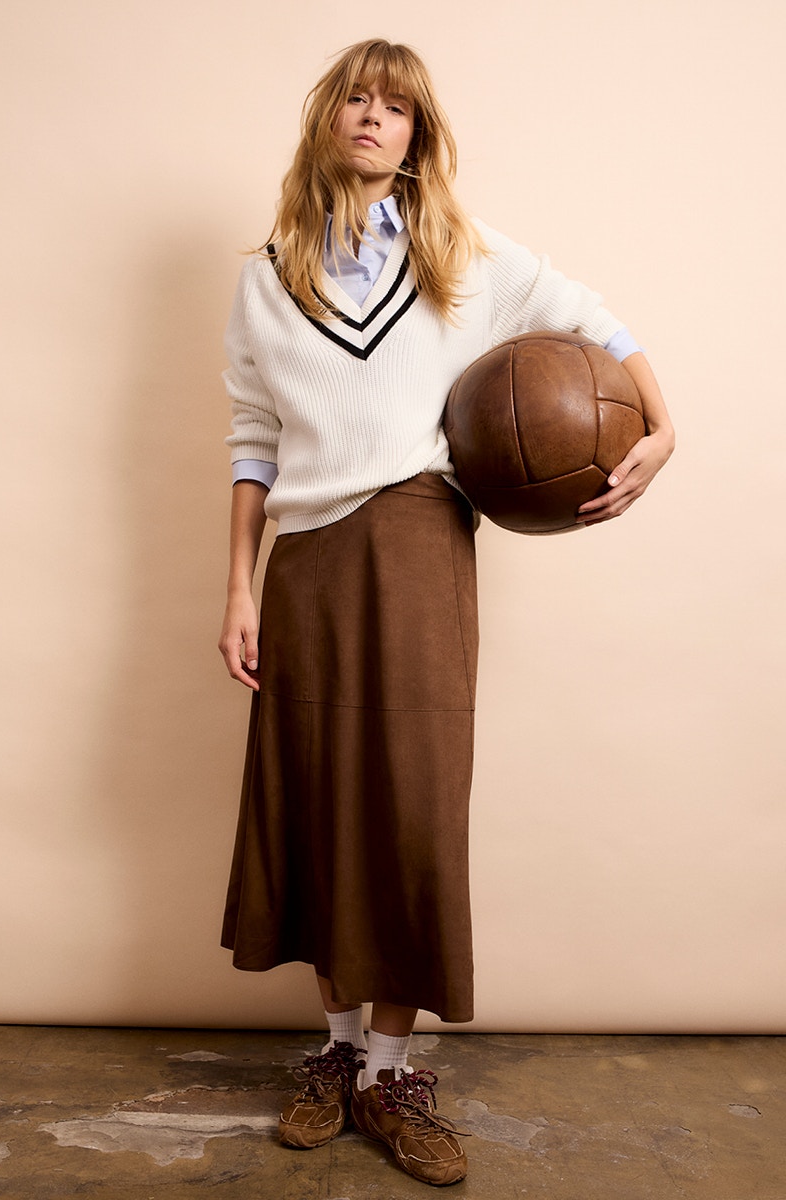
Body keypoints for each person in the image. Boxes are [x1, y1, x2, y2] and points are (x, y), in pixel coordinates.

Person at [217, 38, 674, 1188]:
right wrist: (236, 584)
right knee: (321, 798)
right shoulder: (266, 273)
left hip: (420, 539)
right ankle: (330, 1057)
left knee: (411, 799)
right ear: (328, 121)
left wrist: (659, 433)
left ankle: (390, 1072)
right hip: (306, 562)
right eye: (355, 101)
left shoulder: (465, 256)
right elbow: (252, 441)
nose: (372, 118)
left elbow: (598, 325)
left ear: (418, 134)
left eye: (395, 106)